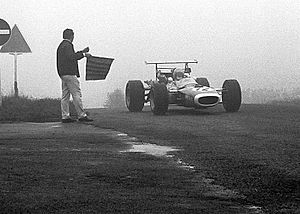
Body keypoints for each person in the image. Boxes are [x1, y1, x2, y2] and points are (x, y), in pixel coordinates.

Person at [56, 28, 93, 123]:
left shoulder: (61, 46)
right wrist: (84, 55)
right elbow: (71, 57)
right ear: (71, 36)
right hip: (70, 73)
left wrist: (81, 52)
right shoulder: (68, 45)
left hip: (63, 74)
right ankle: (81, 115)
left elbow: (70, 55)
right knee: (76, 94)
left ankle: (65, 116)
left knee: (65, 96)